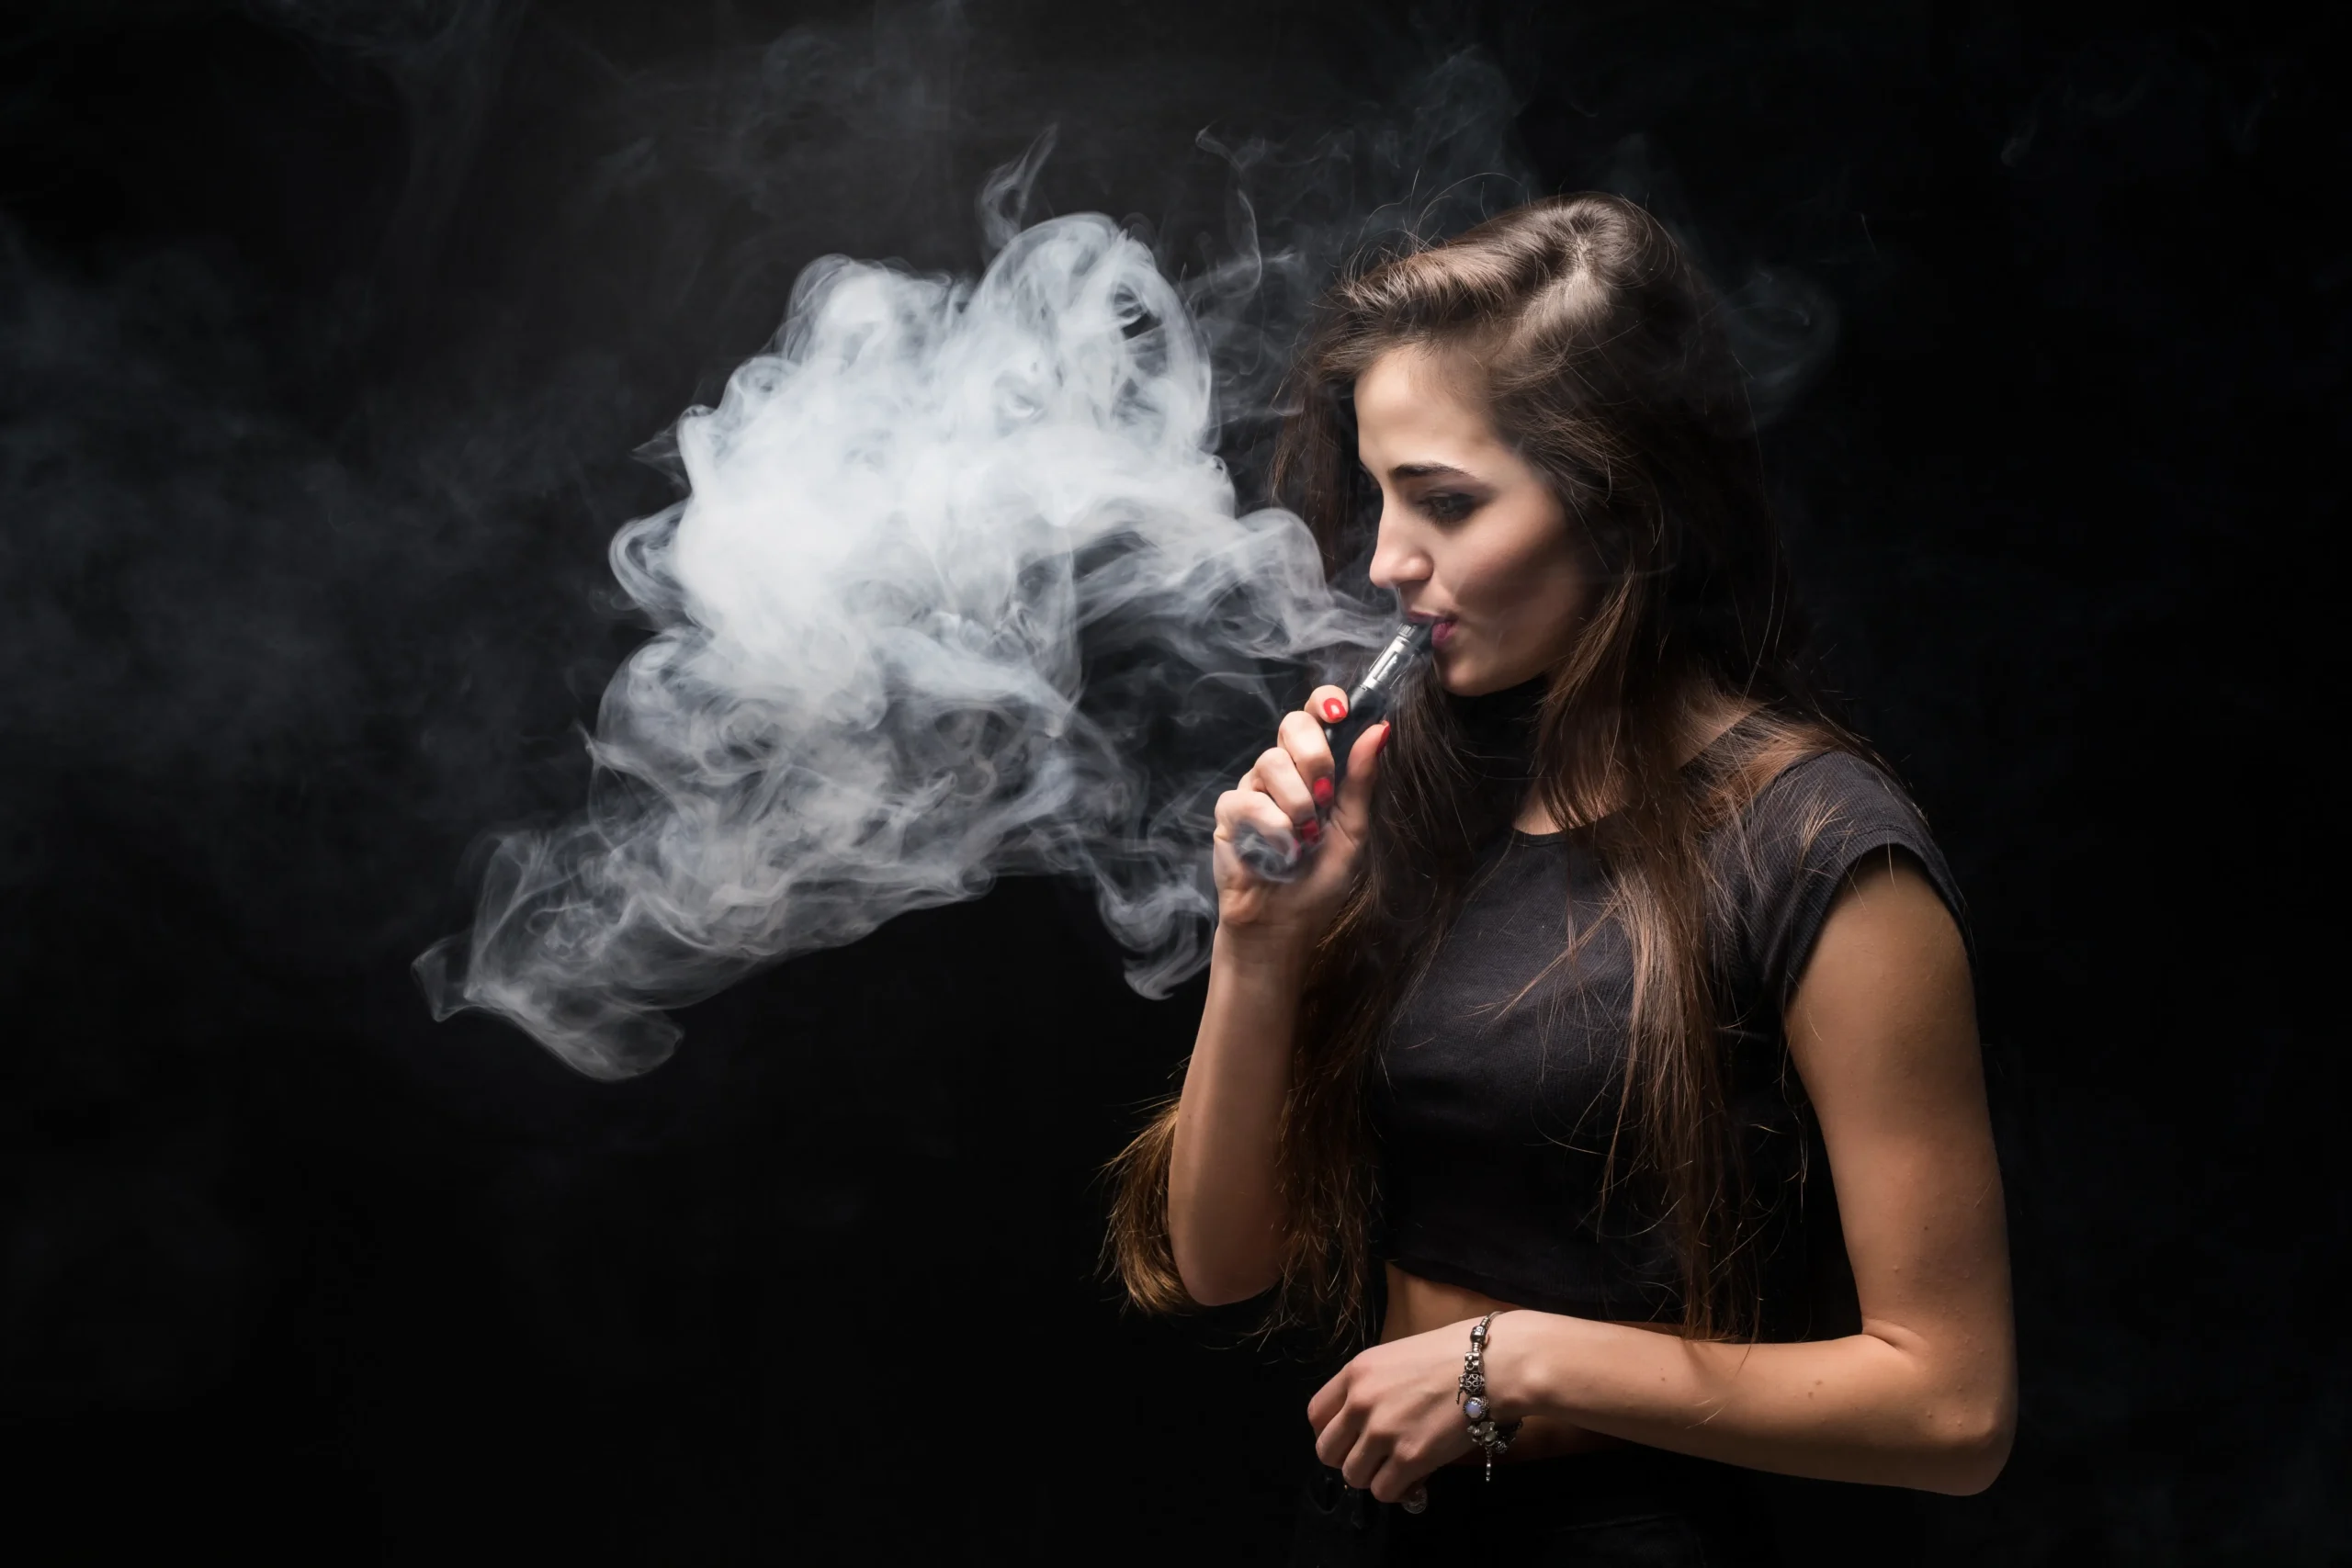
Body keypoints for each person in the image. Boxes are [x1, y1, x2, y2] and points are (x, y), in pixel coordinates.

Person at [1106, 193, 2015, 1563]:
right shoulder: (1425, 793)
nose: (1386, 560)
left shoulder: (1823, 849)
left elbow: (1952, 1405)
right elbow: (1225, 1258)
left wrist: (1513, 1361)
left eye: (1447, 501)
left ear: (1622, 501)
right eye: (1382, 492)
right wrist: (1261, 940)